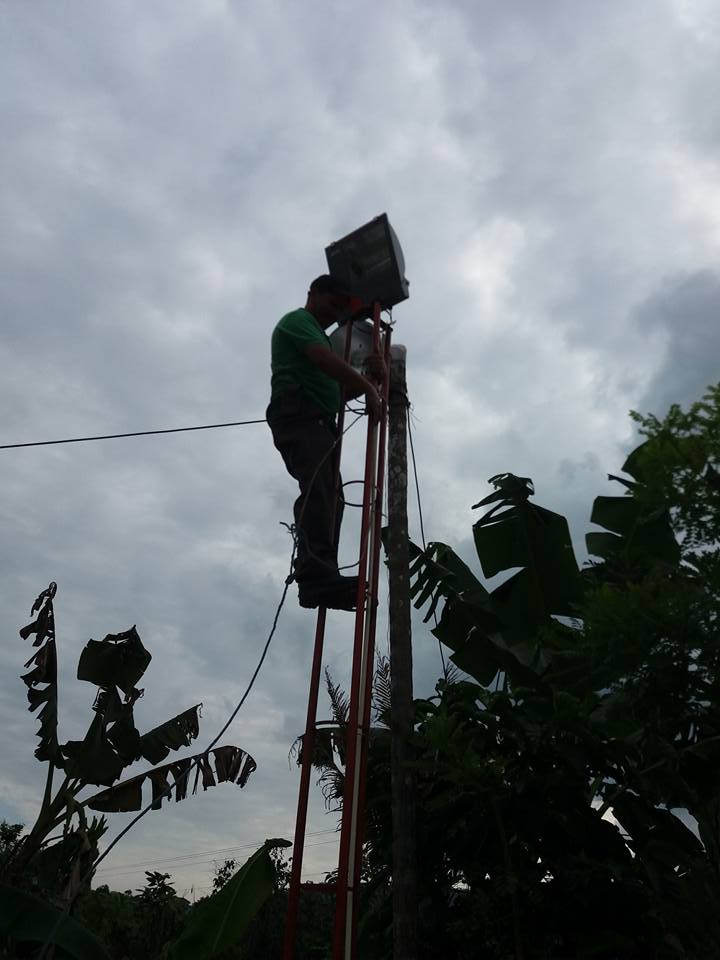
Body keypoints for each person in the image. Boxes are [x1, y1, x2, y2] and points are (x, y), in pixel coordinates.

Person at [266, 275, 384, 610]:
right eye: (333, 303)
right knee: (319, 489)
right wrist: (368, 385)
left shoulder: (321, 338)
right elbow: (321, 359)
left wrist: (370, 378)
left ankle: (323, 575)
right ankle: (314, 576)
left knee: (332, 497)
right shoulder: (298, 321)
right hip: (299, 414)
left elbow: (337, 395)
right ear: (314, 294)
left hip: (317, 418)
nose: (335, 313)